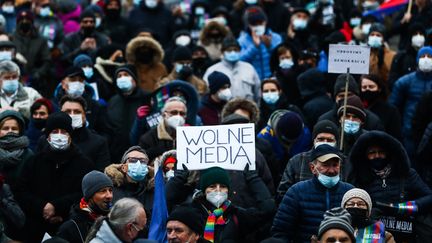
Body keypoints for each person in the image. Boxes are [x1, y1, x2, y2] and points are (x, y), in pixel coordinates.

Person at [15, 112, 94, 242]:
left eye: (63, 131)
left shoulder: (84, 164)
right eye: (55, 131)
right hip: (35, 228)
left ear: (70, 135)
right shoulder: (34, 162)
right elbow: (21, 191)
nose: (59, 135)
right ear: (48, 136)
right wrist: (42, 207)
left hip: (70, 228)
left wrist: (57, 208)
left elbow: (85, 194)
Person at [348, 130, 432, 242]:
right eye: (372, 153)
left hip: (406, 236)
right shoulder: (358, 177)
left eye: (381, 152)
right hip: (373, 235)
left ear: (389, 153)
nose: (377, 156)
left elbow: (429, 197)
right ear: (365, 155)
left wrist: (404, 208)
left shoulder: (406, 174)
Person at [271, 144, 354, 242]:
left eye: (335, 165)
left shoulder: (350, 193)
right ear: (312, 168)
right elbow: (281, 232)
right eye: (325, 165)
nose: (331, 170)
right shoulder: (297, 192)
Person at [173, 166, 275, 242]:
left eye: (222, 186)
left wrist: (253, 178)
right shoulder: (190, 213)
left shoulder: (236, 215)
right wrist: (177, 180)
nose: (218, 190)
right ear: (204, 191)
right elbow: (162, 210)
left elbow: (268, 210)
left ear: (228, 190)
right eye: (212, 186)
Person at [277, 119, 348, 202]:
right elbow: (283, 193)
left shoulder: (345, 162)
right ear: (314, 140)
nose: (325, 142)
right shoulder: (297, 161)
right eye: (321, 139)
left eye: (330, 140)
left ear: (336, 142)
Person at [389, 46, 432, 157]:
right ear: (417, 60)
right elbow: (393, 107)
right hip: (409, 133)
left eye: (429, 56)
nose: (426, 59)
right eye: (423, 56)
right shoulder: (405, 82)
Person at [107, 64, 150, 162]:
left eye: (126, 74)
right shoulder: (113, 101)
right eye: (119, 76)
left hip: (142, 151)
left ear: (134, 78)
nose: (123, 78)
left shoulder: (146, 98)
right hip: (117, 153)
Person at [57, 170, 114, 243]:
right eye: (103, 191)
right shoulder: (70, 228)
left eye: (110, 190)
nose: (109, 195)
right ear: (89, 197)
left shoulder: (115, 221)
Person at [60, 95, 110, 171]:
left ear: (84, 115)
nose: (72, 115)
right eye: (67, 111)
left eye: (77, 112)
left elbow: (101, 175)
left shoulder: (99, 143)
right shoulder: (48, 140)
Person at [203, 37, 260, 102]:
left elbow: (257, 92)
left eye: (235, 50)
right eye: (229, 50)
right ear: (222, 52)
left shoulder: (249, 68)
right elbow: (206, 93)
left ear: (240, 51)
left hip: (247, 109)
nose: (233, 52)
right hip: (222, 110)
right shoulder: (212, 70)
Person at [104, 146, 154, 215]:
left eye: (143, 161)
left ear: (147, 168)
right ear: (124, 167)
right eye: (133, 160)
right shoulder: (111, 191)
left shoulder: (154, 189)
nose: (138, 164)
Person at [12, 10, 51, 94]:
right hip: (15, 78)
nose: (24, 22)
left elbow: (47, 60)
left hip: (36, 79)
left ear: (32, 22)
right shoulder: (12, 38)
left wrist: (39, 73)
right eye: (21, 20)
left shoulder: (41, 40)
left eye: (27, 20)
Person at [238, 6, 282, 80]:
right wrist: (254, 47)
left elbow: (281, 58)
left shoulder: (275, 37)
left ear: (265, 22)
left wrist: (270, 47)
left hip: (273, 80)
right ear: (248, 25)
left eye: (260, 23)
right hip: (252, 80)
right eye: (254, 24)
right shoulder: (242, 41)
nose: (258, 26)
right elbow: (240, 61)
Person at [139, 97, 187, 161]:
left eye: (182, 113)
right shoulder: (148, 138)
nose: (178, 116)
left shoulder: (189, 136)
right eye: (174, 112)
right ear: (164, 115)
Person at [359, 74, 402, 140]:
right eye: (364, 87)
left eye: (371, 87)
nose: (367, 89)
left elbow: (395, 135)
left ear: (379, 89)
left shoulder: (390, 110)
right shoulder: (358, 108)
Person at [0, 110, 33, 192]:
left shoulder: (29, 155)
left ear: (20, 131)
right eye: (5, 128)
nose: (10, 131)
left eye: (14, 128)